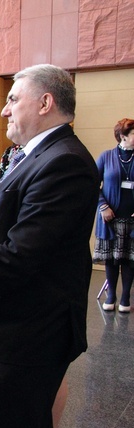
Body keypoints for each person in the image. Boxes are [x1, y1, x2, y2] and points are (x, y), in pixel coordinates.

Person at [0, 64, 100, 428]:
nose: (4, 110)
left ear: (46, 102)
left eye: (13, 99)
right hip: (23, 326)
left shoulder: (63, 161)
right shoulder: (35, 154)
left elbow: (23, 250)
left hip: (34, 332)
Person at [93, 118, 134, 313]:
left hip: (132, 219)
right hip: (109, 217)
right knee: (111, 259)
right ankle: (111, 296)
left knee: (129, 259)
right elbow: (93, 185)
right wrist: (103, 207)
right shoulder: (106, 156)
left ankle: (125, 298)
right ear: (123, 136)